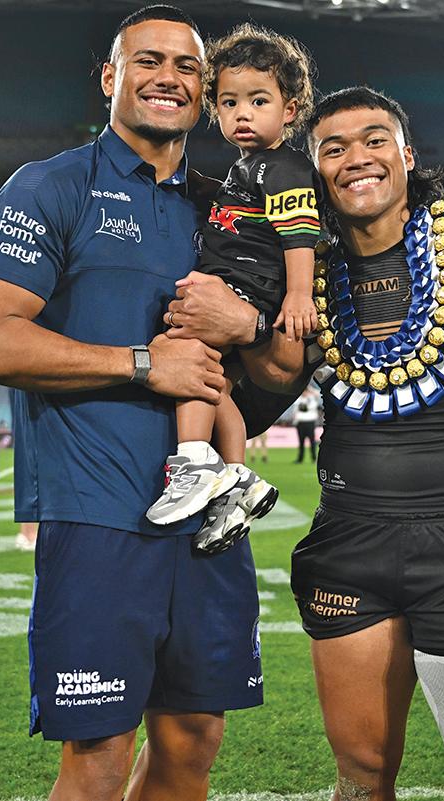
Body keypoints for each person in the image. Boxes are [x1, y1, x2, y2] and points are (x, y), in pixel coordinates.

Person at [171, 86, 444, 801]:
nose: (355, 157)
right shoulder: (304, 272)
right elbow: (261, 402)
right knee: (360, 776)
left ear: (407, 155)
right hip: (347, 547)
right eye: (333, 148)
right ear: (315, 171)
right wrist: (244, 328)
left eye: (374, 139)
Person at [0, 6, 303, 801]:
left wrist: (246, 325)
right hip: (98, 514)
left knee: (192, 738)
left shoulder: (225, 204)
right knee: (100, 753)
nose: (168, 77)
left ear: (204, 93)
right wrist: (145, 363)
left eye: (187, 67)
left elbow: (284, 366)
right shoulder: (51, 186)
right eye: (148, 60)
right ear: (111, 77)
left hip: (207, 519)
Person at [146, 23, 320, 552]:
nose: (242, 114)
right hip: (240, 280)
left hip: (248, 285)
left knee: (182, 351)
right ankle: (236, 480)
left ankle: (195, 461)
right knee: (213, 380)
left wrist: (298, 294)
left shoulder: (285, 167)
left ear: (290, 110)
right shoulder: (250, 167)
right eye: (229, 102)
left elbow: (299, 233)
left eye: (258, 101)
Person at [292, 385, 321, 462]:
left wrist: (310, 388)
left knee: (312, 441)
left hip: (310, 422)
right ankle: (300, 458)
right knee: (301, 441)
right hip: (300, 422)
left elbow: (319, 393)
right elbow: (296, 410)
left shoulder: (312, 398)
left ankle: (314, 458)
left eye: (306, 391)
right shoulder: (299, 399)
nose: (304, 393)